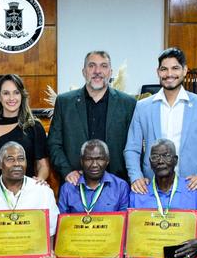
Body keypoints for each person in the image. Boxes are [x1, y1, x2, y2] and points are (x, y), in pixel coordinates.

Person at [123, 47, 197, 193]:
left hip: (190, 187)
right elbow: (132, 148)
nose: (169, 74)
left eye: (175, 68)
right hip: (152, 188)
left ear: (185, 70)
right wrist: (136, 177)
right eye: (164, 69)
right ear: (158, 72)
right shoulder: (143, 107)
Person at [48, 51, 136, 184]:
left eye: (103, 66)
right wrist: (67, 171)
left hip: (117, 185)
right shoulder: (64, 102)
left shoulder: (128, 103)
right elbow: (54, 144)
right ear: (84, 71)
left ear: (110, 72)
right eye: (92, 66)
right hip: (76, 183)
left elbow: (135, 146)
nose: (97, 71)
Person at [0, 73, 51, 185]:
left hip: (27, 191)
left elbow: (43, 165)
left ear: (22, 96)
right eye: (6, 93)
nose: (11, 98)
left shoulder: (34, 126)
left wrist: (39, 181)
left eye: (16, 93)